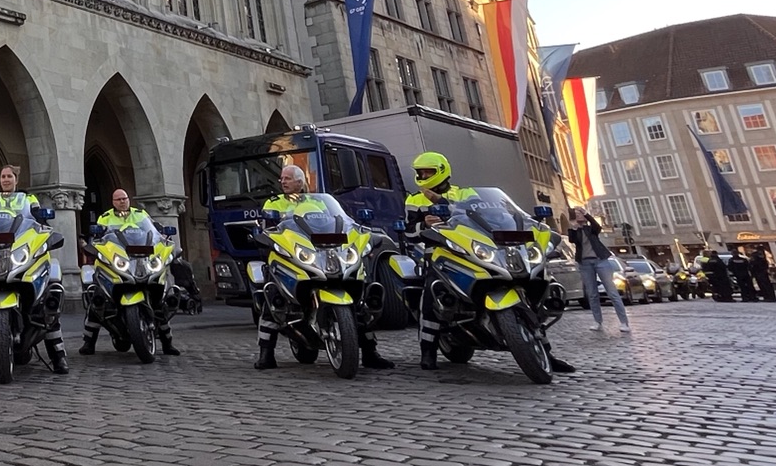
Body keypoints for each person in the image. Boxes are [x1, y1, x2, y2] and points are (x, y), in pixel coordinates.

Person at [405, 152, 574, 374]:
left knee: (530, 291)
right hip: (439, 251)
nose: (423, 175)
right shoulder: (414, 200)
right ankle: (428, 351)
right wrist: (424, 225)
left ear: (441, 171)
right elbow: (409, 233)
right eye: (420, 172)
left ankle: (546, 353)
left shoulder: (466, 193)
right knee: (431, 294)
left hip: (475, 248)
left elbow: (497, 216)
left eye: (428, 172)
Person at [253, 164, 389, 370]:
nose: (283, 181)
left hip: (320, 254)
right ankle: (266, 353)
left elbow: (337, 222)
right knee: (273, 296)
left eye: (288, 178)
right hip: (286, 255)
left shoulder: (316, 203)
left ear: (300, 182)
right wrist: (266, 235)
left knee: (360, 304)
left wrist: (359, 231)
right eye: (282, 178)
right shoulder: (275, 203)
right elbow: (267, 227)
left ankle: (371, 352)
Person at [0, 164, 68, 374]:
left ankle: (59, 357)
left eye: (9, 176)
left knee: (48, 302)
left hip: (20, 251)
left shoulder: (28, 200)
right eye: (3, 176)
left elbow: (39, 221)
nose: (6, 179)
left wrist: (46, 232)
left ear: (16, 179)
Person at [80, 189, 181, 358]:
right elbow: (99, 238)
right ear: (113, 202)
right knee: (97, 299)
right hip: (117, 261)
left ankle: (167, 342)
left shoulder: (141, 215)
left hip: (140, 260)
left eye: (124, 198)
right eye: (118, 199)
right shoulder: (105, 218)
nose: (122, 202)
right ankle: (89, 342)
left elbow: (154, 233)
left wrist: (163, 239)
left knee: (161, 302)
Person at [567, 206, 630, 337]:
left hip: (600, 261)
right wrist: (573, 227)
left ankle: (624, 322)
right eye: (577, 213)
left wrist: (587, 215)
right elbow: (572, 240)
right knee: (592, 294)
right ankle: (597, 321)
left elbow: (597, 227)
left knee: (612, 292)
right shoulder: (576, 230)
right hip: (585, 263)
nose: (579, 215)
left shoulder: (591, 229)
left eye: (581, 213)